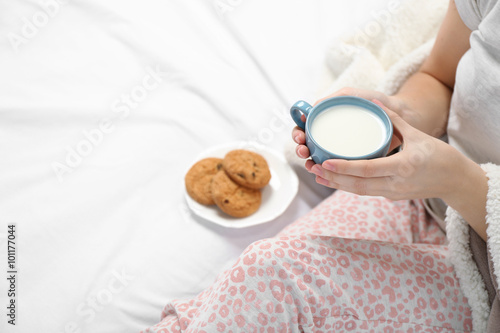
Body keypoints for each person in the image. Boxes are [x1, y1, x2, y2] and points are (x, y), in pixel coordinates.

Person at [144, 0, 500, 331]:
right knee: (238, 295)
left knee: (271, 275)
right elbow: (439, 77)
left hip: (487, 272)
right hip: (420, 197)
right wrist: (401, 113)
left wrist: (457, 181)